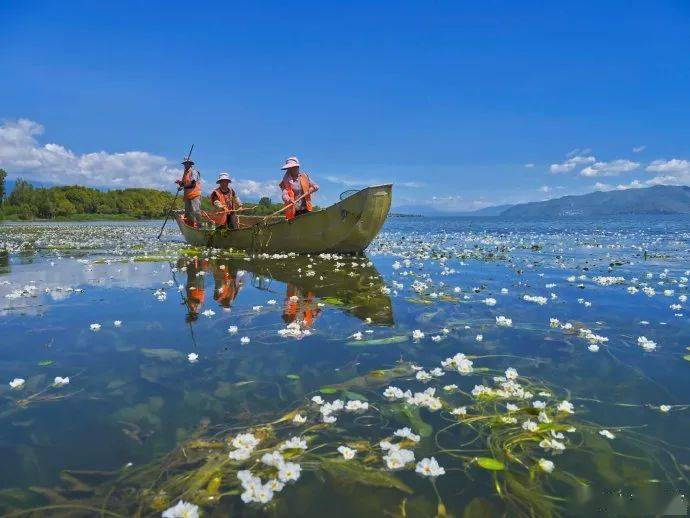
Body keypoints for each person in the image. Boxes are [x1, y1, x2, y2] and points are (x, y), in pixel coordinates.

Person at [176, 158, 201, 228]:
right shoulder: (185, 173)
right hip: (187, 196)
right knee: (188, 213)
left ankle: (199, 226)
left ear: (190, 164)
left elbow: (193, 184)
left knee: (195, 211)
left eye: (187, 164)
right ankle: (191, 227)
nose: (186, 165)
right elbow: (185, 184)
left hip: (194, 195)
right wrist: (180, 183)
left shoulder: (194, 172)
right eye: (185, 164)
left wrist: (183, 186)